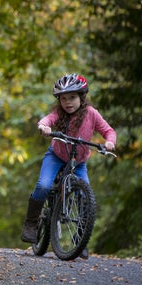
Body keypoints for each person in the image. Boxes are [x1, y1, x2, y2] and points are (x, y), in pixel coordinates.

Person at [21, 73, 116, 259]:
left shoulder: (91, 114)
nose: (68, 102)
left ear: (82, 97)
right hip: (56, 156)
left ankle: (80, 240)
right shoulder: (59, 113)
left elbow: (108, 130)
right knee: (44, 186)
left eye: (72, 97)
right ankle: (31, 223)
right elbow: (46, 120)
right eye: (63, 99)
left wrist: (110, 142)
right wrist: (44, 127)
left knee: (84, 196)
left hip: (78, 162)